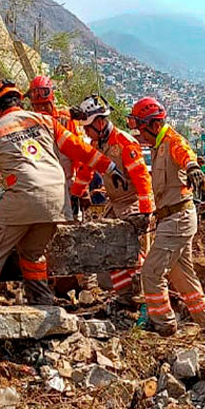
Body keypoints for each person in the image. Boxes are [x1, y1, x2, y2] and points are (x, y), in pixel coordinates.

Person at [0, 81, 124, 306]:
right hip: (57, 199)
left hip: (23, 196)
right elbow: (79, 148)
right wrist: (110, 167)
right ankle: (42, 302)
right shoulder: (45, 121)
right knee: (32, 254)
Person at [128, 97, 205, 336]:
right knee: (181, 275)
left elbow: (185, 154)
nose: (140, 134)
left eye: (141, 128)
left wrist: (192, 167)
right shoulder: (158, 146)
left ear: (154, 124)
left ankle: (164, 324)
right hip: (172, 218)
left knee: (151, 271)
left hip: (178, 219)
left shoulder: (173, 141)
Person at [71, 94, 154, 308]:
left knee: (134, 254)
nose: (86, 132)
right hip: (115, 203)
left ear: (99, 122)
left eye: (88, 127)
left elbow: (142, 179)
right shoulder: (98, 144)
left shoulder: (124, 143)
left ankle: (145, 298)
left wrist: (145, 212)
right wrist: (76, 193)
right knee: (112, 251)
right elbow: (85, 170)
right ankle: (125, 297)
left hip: (133, 203)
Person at [25, 75, 86, 220]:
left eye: (45, 105)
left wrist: (80, 188)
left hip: (67, 182)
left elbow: (79, 153)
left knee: (71, 222)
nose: (42, 109)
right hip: (42, 183)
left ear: (52, 101)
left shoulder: (65, 120)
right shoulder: (28, 124)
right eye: (37, 106)